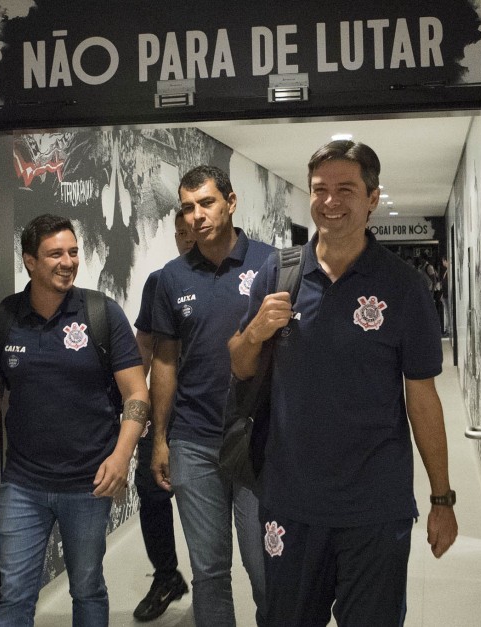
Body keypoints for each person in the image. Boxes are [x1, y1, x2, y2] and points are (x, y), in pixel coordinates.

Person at [229, 140, 458, 626]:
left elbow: (422, 397)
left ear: (373, 198)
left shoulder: (403, 286)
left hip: (375, 507)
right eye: (320, 190)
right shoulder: (278, 271)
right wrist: (255, 331)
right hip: (290, 502)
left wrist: (442, 499)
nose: (330, 202)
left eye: (346, 190)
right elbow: (240, 364)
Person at [0, 214, 149, 627]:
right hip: (22, 484)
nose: (68, 261)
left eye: (73, 252)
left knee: (86, 589)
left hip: (89, 483)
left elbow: (137, 393)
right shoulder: (4, 319)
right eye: (55, 254)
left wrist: (121, 457)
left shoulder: (101, 313)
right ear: (30, 261)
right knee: (14, 596)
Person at [150, 165, 272, 626]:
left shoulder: (271, 262)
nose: (197, 215)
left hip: (259, 438)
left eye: (206, 203)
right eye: (187, 207)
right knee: (209, 574)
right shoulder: (171, 278)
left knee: (266, 571)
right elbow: (164, 360)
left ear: (231, 202)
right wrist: (160, 438)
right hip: (194, 443)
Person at [129, 209, 194, 621]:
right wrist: (134, 410)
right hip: (166, 411)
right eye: (180, 232)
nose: (187, 238)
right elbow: (143, 348)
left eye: (193, 231)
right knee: (152, 492)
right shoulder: (160, 281)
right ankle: (167, 576)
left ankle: (214, 582)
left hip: (220, 415)